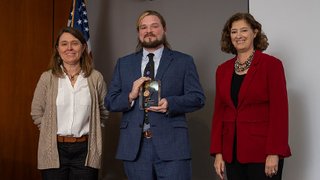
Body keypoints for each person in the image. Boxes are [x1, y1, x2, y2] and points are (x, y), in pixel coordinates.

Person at [106, 10, 205, 180]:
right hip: (135, 149)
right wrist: (130, 95)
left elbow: (197, 98)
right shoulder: (124, 63)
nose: (148, 31)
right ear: (138, 32)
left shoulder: (183, 61)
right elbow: (110, 102)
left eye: (154, 26)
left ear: (164, 29)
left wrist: (170, 103)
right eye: (143, 27)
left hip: (172, 146)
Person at [210, 12, 291, 180]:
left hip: (263, 154)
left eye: (244, 30)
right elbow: (219, 113)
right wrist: (218, 153)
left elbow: (279, 113)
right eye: (234, 31)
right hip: (231, 154)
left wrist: (274, 152)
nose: (238, 36)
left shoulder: (272, 65)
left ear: (255, 33)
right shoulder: (222, 70)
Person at [31, 27, 108, 180]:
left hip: (86, 150)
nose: (69, 48)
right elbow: (36, 112)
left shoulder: (95, 77)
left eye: (75, 43)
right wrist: (48, 129)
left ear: (83, 47)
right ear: (58, 49)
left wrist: (93, 131)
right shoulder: (47, 78)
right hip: (54, 149)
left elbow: (104, 111)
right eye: (64, 44)